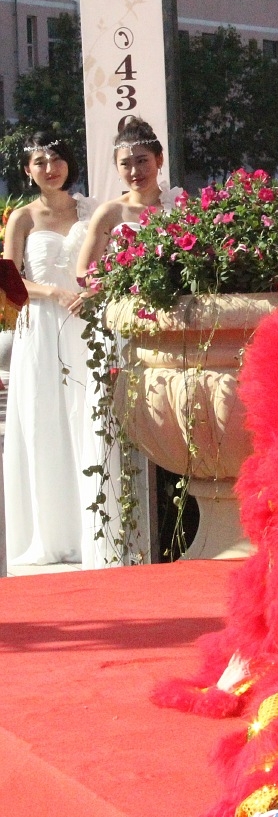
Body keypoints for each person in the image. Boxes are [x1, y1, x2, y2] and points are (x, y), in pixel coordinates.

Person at [2, 133, 104, 567]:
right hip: (42, 327)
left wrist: (92, 293)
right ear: (28, 170)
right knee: (46, 421)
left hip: (86, 324)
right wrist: (55, 293)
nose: (50, 168)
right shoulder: (22, 217)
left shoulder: (92, 210)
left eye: (57, 159)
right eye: (40, 162)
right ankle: (51, 532)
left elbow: (108, 262)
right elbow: (10, 280)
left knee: (87, 417)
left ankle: (95, 530)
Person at [75, 117, 184, 280]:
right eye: (125, 164)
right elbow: (84, 272)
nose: (134, 171)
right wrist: (121, 282)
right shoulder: (108, 213)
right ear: (117, 168)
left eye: (142, 161)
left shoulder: (180, 207)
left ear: (159, 159)